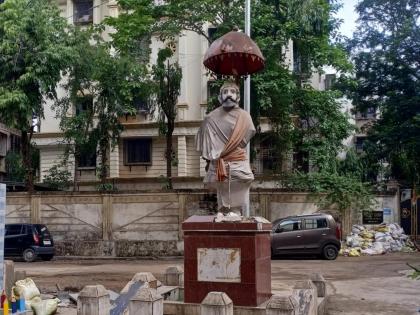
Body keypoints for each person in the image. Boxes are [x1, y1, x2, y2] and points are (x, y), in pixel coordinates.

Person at [196, 81, 256, 214]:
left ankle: (234, 213)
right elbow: (204, 145)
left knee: (236, 199)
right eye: (225, 92)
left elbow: (249, 133)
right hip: (218, 165)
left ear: (238, 97)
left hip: (239, 164)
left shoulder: (245, 117)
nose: (229, 94)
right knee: (222, 200)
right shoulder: (209, 119)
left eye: (232, 92)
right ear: (219, 97)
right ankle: (223, 212)